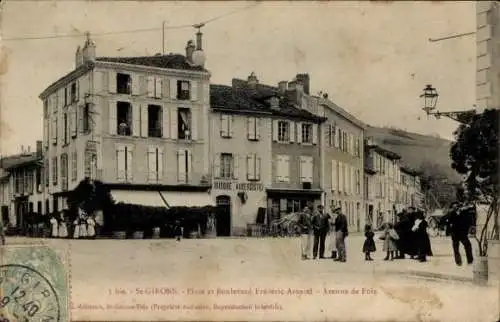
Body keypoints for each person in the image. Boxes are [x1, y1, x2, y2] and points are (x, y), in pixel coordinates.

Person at [445, 202, 474, 266]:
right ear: (452, 208)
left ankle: (470, 260)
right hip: (455, 234)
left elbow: (467, 221)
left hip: (463, 233)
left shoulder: (464, 212)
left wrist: (466, 230)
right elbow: (446, 222)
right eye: (454, 207)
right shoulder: (451, 214)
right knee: (456, 249)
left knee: (468, 246)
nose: (455, 208)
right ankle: (458, 262)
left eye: (456, 206)